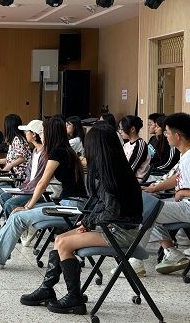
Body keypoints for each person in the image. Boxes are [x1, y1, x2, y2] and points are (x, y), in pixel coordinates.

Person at [20, 123, 142, 315]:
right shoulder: (113, 168)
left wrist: (89, 222)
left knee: (64, 244)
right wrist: (87, 222)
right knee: (59, 239)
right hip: (111, 226)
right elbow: (102, 205)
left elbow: (111, 212)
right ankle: (47, 289)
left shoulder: (113, 174)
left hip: (121, 232)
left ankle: (74, 298)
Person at [0, 116, 86, 268]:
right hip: (69, 204)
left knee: (18, 217)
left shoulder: (57, 152)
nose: (42, 135)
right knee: (16, 215)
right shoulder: (65, 150)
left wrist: (28, 206)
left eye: (44, 132)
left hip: (71, 207)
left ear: (51, 132)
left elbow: (42, 183)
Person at [136, 113, 190, 275]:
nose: (165, 136)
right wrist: (154, 188)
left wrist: (184, 191)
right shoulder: (184, 154)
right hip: (183, 204)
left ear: (177, 136)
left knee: (148, 210)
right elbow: (177, 176)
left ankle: (135, 261)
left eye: (167, 132)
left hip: (188, 206)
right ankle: (171, 252)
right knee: (150, 205)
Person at [0, 120, 47, 219]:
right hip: (28, 189)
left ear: (34, 134)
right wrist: (22, 188)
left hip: (35, 191)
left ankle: (14, 224)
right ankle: (11, 223)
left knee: (10, 204)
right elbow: (29, 174)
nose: (24, 133)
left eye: (27, 131)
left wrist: (24, 191)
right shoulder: (35, 151)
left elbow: (39, 179)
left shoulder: (44, 154)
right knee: (4, 196)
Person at [119, 115, 151, 181]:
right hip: (125, 178)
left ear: (132, 129)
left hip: (135, 181)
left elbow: (131, 169)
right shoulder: (126, 144)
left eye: (122, 129)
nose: (120, 131)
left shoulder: (140, 145)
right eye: (119, 129)